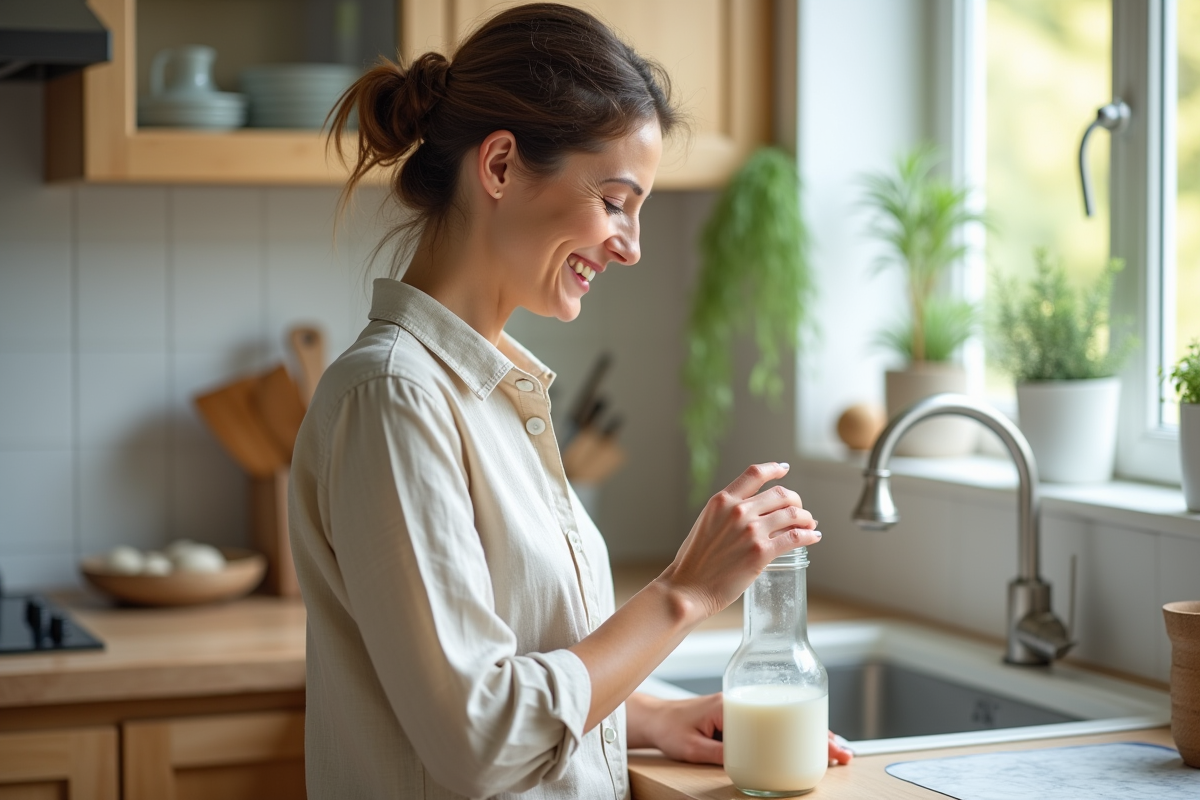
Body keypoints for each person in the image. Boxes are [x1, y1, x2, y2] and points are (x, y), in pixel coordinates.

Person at [288, 4, 852, 798]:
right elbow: (478, 737)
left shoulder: (488, 393)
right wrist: (683, 594)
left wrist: (648, 714)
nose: (632, 243)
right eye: (617, 200)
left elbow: (512, 658)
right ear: (501, 166)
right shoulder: (394, 398)